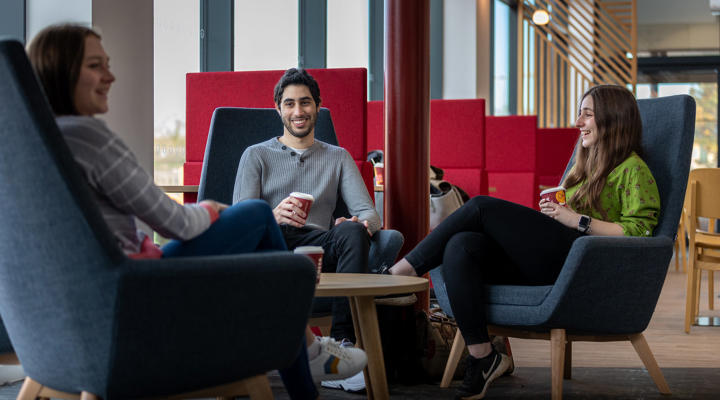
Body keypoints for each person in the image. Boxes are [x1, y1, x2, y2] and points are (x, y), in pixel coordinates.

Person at [27, 23, 363, 400]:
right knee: (254, 214)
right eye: (95, 65)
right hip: (134, 290)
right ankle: (307, 354)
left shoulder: (32, 144)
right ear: (62, 70)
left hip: (80, 304)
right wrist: (212, 208)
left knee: (259, 230)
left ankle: (305, 349)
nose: (111, 75)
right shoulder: (90, 137)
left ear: (316, 105)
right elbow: (174, 224)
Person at [387, 85, 661, 399]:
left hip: (583, 269)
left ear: (613, 120)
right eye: (580, 113)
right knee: (460, 245)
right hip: (554, 258)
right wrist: (558, 216)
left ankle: (402, 274)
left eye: (587, 114)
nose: (578, 122)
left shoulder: (633, 170)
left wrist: (578, 221)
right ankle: (482, 357)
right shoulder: (583, 167)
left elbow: (641, 232)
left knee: (480, 206)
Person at [233, 68, 382, 346]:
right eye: (289, 103)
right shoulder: (256, 155)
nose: (298, 111)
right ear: (278, 109)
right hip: (273, 243)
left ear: (318, 107)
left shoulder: (338, 157)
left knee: (351, 232)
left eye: (305, 102)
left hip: (318, 247)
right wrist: (272, 215)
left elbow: (370, 214)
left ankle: (342, 343)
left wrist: (358, 225)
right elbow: (239, 221)